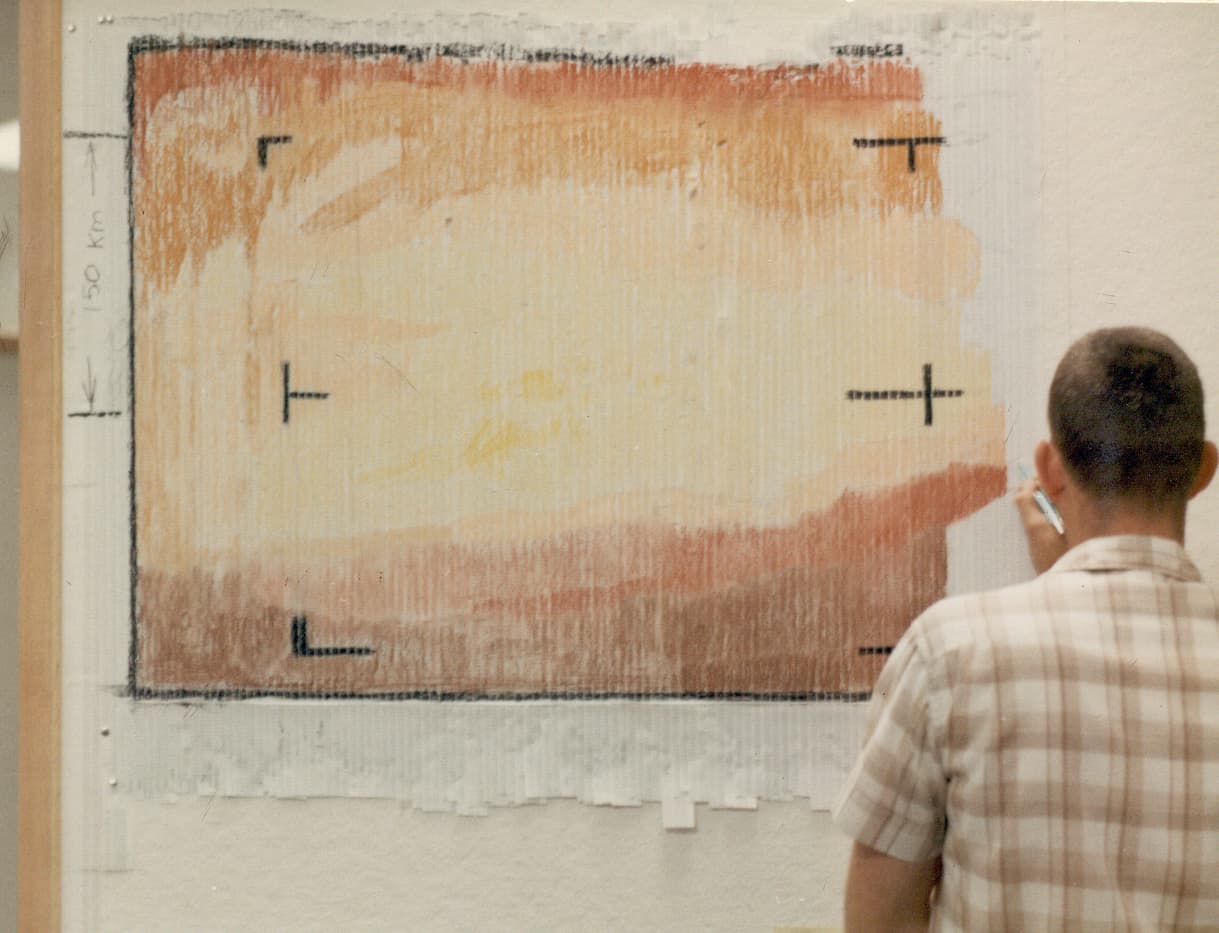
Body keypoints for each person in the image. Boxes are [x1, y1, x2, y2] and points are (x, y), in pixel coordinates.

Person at [832, 327, 1219, 931]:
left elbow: (881, 912)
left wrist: (1070, 576)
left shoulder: (950, 650)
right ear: (1203, 469)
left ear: (1049, 469)